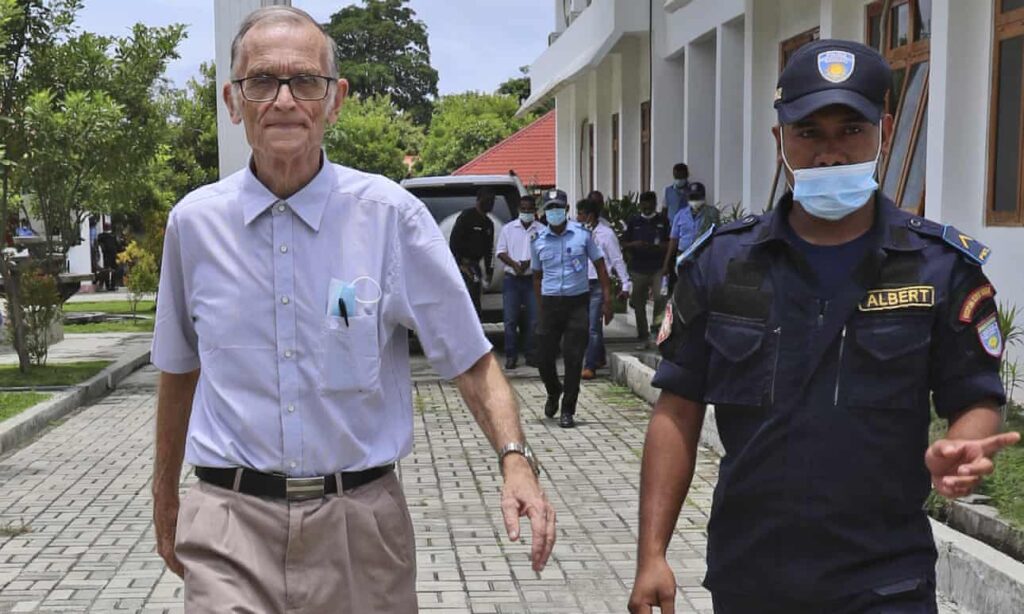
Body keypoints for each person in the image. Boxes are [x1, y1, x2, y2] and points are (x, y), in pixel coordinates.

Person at [150, 8, 555, 612]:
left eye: (304, 81)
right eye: (261, 81)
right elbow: (179, 370)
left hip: (360, 527)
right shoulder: (195, 225)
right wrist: (164, 496)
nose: (283, 99)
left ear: (335, 100)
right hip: (229, 523)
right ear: (234, 102)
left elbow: (470, 359)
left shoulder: (390, 218)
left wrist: (516, 461)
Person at [629, 39, 1020, 614]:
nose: (830, 155)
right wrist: (651, 554)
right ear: (779, 141)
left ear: (884, 131)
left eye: (851, 131)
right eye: (809, 134)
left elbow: (976, 395)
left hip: (886, 581)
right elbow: (676, 412)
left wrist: (962, 442)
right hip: (752, 577)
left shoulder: (940, 268)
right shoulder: (722, 265)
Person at [531, 189, 613, 428]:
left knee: (574, 358)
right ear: (544, 212)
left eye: (558, 207)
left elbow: (600, 266)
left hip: (577, 303)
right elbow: (536, 277)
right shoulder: (538, 241)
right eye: (549, 209)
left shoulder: (582, 235)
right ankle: (553, 390)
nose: (554, 212)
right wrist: (540, 306)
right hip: (550, 303)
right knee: (544, 359)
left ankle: (568, 409)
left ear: (566, 210)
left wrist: (607, 299)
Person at [577, 198, 630, 380]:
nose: (577, 217)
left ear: (590, 216)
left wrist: (625, 283)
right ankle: (599, 356)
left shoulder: (606, 234)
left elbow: (616, 259)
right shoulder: (576, 232)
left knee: (593, 326)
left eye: (581, 214)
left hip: (599, 283)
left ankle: (589, 365)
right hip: (580, 284)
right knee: (586, 326)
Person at [496, 194, 544, 369]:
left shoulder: (541, 230)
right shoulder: (508, 229)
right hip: (512, 280)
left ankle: (531, 355)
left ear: (534, 211)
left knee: (533, 319)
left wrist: (529, 263)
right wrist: (515, 264)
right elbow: (500, 252)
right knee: (510, 320)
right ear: (518, 210)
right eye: (523, 209)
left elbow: (544, 252)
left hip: (532, 279)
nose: (526, 212)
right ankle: (511, 355)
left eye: (529, 209)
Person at [622, 191, 670, 349]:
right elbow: (624, 243)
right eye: (644, 204)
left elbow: (670, 243)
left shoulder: (662, 221)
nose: (647, 207)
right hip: (638, 268)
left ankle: (655, 330)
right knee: (638, 302)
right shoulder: (633, 221)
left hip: (658, 267)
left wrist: (656, 247)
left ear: (655, 204)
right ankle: (643, 335)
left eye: (650, 204)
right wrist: (634, 245)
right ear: (640, 205)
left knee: (660, 298)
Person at [450, 187, 496, 316]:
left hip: (475, 266)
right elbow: (453, 242)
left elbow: (489, 250)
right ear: (479, 200)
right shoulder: (466, 217)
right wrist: (460, 264)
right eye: (487, 200)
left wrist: (489, 272)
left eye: (492, 201)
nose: (490, 203)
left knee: (475, 302)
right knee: (464, 301)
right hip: (461, 266)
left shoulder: (488, 224)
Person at [661, 181, 720, 283]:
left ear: (703, 197)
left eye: (697, 198)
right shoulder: (680, 215)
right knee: (684, 287)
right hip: (684, 257)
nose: (695, 201)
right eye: (692, 198)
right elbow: (673, 240)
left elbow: (716, 235)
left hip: (704, 256)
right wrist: (666, 263)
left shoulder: (711, 213)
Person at [96, 223, 119, 291]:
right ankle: (112, 285)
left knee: (106, 270)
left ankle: (107, 285)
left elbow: (99, 242)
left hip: (106, 255)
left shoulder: (101, 236)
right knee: (114, 270)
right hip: (113, 255)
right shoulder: (112, 237)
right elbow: (117, 246)